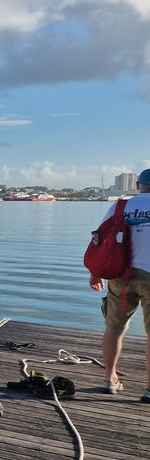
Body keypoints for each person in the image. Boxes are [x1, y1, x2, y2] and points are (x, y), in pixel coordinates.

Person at [88, 168, 150, 398]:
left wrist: (96, 272)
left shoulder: (121, 206)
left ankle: (110, 379)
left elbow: (99, 239)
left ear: (138, 185)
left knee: (114, 328)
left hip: (121, 275)